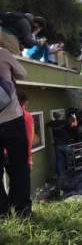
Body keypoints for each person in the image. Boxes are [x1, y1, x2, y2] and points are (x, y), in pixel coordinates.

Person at [0, 48, 31, 217]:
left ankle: (2, 214)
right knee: (20, 168)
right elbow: (23, 74)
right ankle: (23, 213)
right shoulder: (2, 53)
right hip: (12, 119)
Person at [17, 90, 34, 169]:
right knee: (21, 180)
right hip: (19, 154)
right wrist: (29, 159)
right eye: (25, 105)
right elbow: (29, 139)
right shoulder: (26, 115)